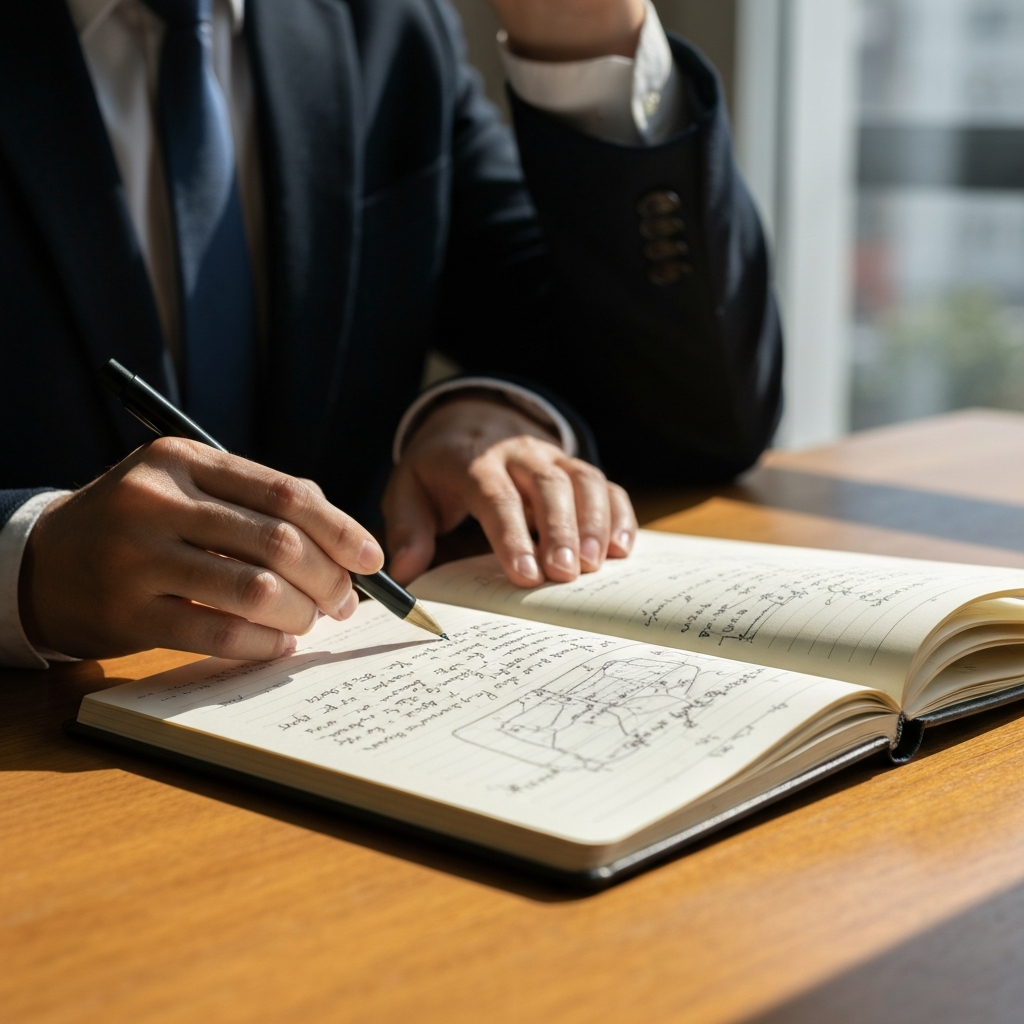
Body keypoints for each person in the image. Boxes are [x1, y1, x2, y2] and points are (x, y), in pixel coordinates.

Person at [0, 0, 782, 668]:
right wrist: (29, 560)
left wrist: (582, 32)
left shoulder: (385, 21)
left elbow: (694, 426)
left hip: (318, 718)